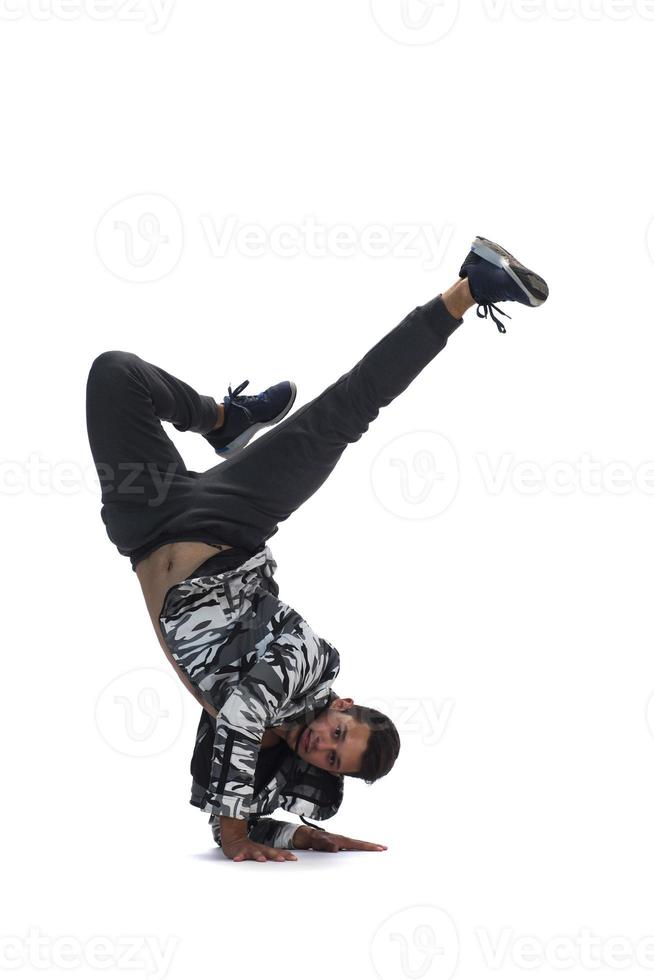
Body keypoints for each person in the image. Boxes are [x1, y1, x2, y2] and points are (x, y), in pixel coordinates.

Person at [86, 236, 549, 863]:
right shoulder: (310, 662)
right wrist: (235, 834)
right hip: (231, 521)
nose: (321, 746)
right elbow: (243, 715)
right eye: (338, 734)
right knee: (345, 411)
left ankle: (227, 423)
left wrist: (299, 834)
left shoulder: (267, 760)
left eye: (334, 758)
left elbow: (229, 785)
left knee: (112, 375)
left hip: (144, 527)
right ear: (344, 705)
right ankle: (469, 289)